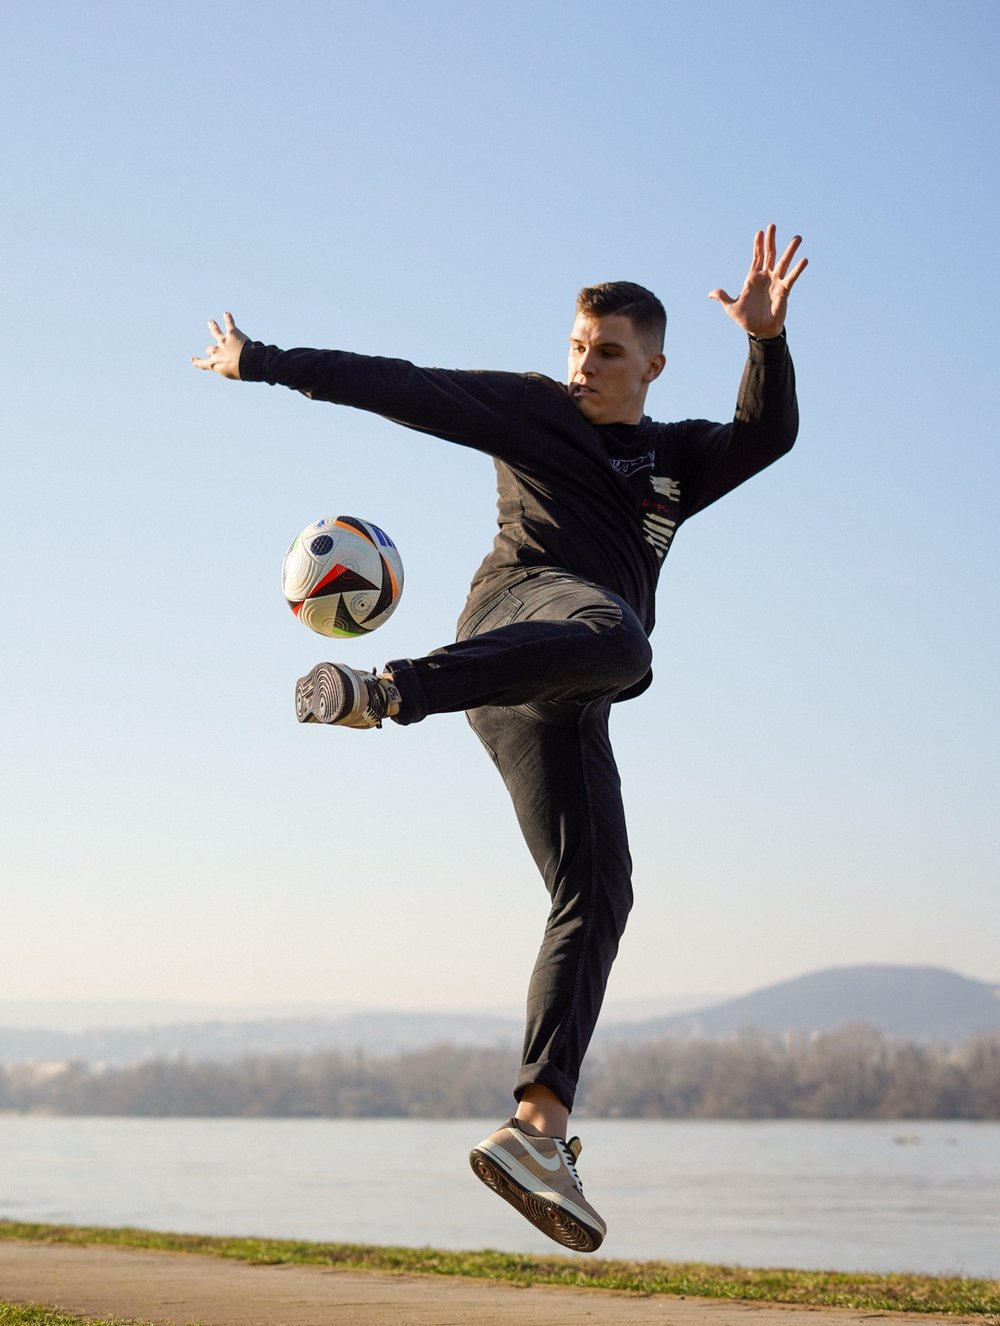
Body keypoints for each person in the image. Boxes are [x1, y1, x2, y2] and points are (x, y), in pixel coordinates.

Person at [192, 225, 807, 1252]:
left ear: (653, 366)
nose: (584, 365)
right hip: (513, 624)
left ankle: (537, 1131)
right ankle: (386, 690)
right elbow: (403, 385)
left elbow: (766, 434)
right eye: (577, 345)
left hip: (566, 683)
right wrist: (262, 361)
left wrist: (765, 341)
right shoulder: (533, 411)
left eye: (607, 352)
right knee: (623, 637)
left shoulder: (674, 461)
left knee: (598, 890)